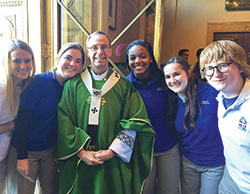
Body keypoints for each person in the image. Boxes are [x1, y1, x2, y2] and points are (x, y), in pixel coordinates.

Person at [56, 31, 155, 194]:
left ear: (110, 50)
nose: (99, 52)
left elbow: (135, 121)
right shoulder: (73, 85)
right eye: (94, 48)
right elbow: (64, 120)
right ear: (88, 52)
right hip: (79, 160)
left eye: (104, 47)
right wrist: (81, 152)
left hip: (112, 161)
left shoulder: (124, 86)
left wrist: (112, 151)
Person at [7, 42, 84, 194]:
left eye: (78, 61)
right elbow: (22, 122)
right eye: (68, 58)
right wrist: (22, 157)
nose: (72, 64)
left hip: (50, 151)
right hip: (26, 150)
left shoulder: (74, 88)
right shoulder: (39, 82)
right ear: (58, 59)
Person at [162, 56, 225, 194]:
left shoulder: (213, 92)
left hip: (214, 164)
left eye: (177, 74)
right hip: (188, 162)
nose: (172, 80)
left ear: (189, 73)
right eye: (168, 77)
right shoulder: (172, 100)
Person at [126, 40, 180, 194]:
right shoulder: (124, 85)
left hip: (168, 147)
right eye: (132, 58)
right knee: (144, 190)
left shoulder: (165, 79)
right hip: (141, 150)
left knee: (170, 190)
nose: (137, 61)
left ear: (150, 58)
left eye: (142, 56)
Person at [200, 40, 250, 194]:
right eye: (209, 68)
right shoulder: (220, 98)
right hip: (231, 180)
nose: (216, 74)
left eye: (222, 66)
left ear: (240, 66)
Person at [0, 39, 35, 194]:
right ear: (8, 62)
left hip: (7, 154)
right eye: (17, 61)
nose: (23, 66)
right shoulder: (2, 90)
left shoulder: (25, 86)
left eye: (27, 60)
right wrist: (14, 125)